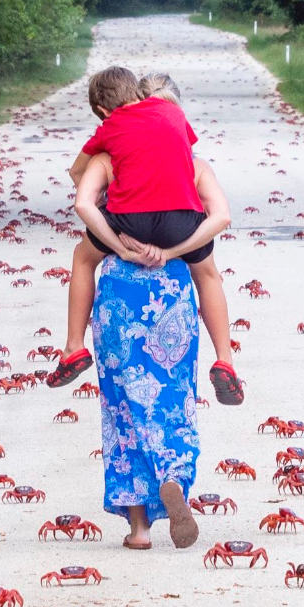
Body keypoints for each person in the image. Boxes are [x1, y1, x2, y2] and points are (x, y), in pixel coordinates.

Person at [46, 67, 243, 406]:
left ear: (105, 111)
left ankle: (73, 346)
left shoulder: (109, 134)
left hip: (129, 224)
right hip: (180, 223)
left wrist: (118, 242)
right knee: (208, 275)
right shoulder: (176, 121)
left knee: (82, 258)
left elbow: (79, 177)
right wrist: (174, 249)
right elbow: (189, 164)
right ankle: (225, 358)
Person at [82, 153, 202, 550]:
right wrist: (172, 251)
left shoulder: (114, 166)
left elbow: (83, 211)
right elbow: (220, 220)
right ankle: (173, 475)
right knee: (175, 399)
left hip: (120, 289)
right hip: (173, 292)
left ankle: (140, 530)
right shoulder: (191, 166)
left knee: (124, 409)